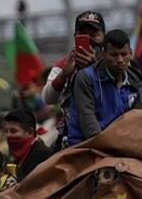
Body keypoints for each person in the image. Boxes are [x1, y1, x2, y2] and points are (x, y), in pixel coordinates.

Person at [66, 29, 142, 146]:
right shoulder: (86, 78)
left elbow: (139, 119)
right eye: (114, 55)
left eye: (124, 54)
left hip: (123, 146)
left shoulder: (135, 80)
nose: (120, 60)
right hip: (86, 145)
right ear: (103, 54)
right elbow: (88, 121)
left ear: (131, 53)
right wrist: (111, 147)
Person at [43, 11, 106, 148]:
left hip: (105, 133)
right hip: (71, 137)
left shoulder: (111, 64)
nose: (90, 40)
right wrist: (64, 75)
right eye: (83, 35)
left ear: (103, 37)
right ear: (75, 37)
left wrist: (94, 69)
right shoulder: (64, 64)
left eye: (94, 34)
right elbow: (47, 98)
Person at [3, 109, 51, 182]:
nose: (8, 135)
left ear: (30, 132)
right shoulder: (14, 157)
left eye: (13, 131)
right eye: (6, 131)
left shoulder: (42, 155)